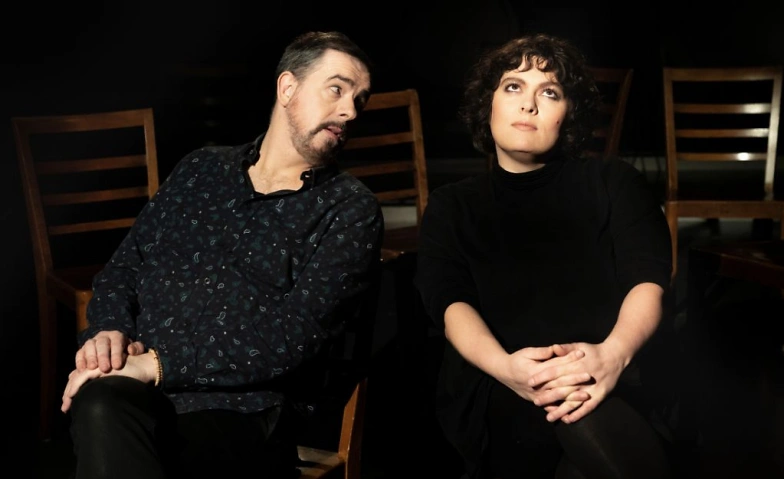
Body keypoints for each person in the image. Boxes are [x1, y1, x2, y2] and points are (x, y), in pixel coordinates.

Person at [60, 30, 383, 479]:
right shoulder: (202, 168)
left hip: (245, 410)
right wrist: (108, 334)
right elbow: (123, 269)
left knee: (115, 425)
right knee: (101, 402)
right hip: (140, 390)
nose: (350, 111)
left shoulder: (349, 209)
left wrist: (155, 365)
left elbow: (295, 336)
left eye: (359, 100)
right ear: (287, 87)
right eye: (337, 89)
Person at [414, 33, 682, 479]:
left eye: (550, 92)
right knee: (559, 420)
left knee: (581, 421)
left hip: (610, 374)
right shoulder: (451, 206)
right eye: (513, 86)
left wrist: (611, 356)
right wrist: (508, 369)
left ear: (568, 113)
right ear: (488, 104)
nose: (529, 104)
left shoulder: (614, 182)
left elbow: (649, 281)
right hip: (500, 381)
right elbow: (448, 303)